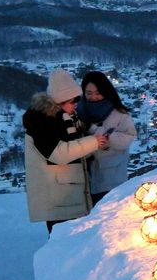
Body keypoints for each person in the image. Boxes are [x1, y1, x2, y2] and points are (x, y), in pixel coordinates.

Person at [23, 69, 108, 234]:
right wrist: (93, 142)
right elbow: (58, 154)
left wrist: (94, 147)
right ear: (60, 101)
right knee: (63, 246)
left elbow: (73, 150)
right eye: (73, 100)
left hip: (68, 195)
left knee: (72, 244)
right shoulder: (42, 120)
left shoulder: (65, 118)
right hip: (59, 199)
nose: (77, 104)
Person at [78, 71, 137, 204]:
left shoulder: (119, 113)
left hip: (111, 176)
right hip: (85, 177)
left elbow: (129, 136)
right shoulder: (78, 112)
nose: (93, 97)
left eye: (98, 93)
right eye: (89, 93)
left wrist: (100, 134)